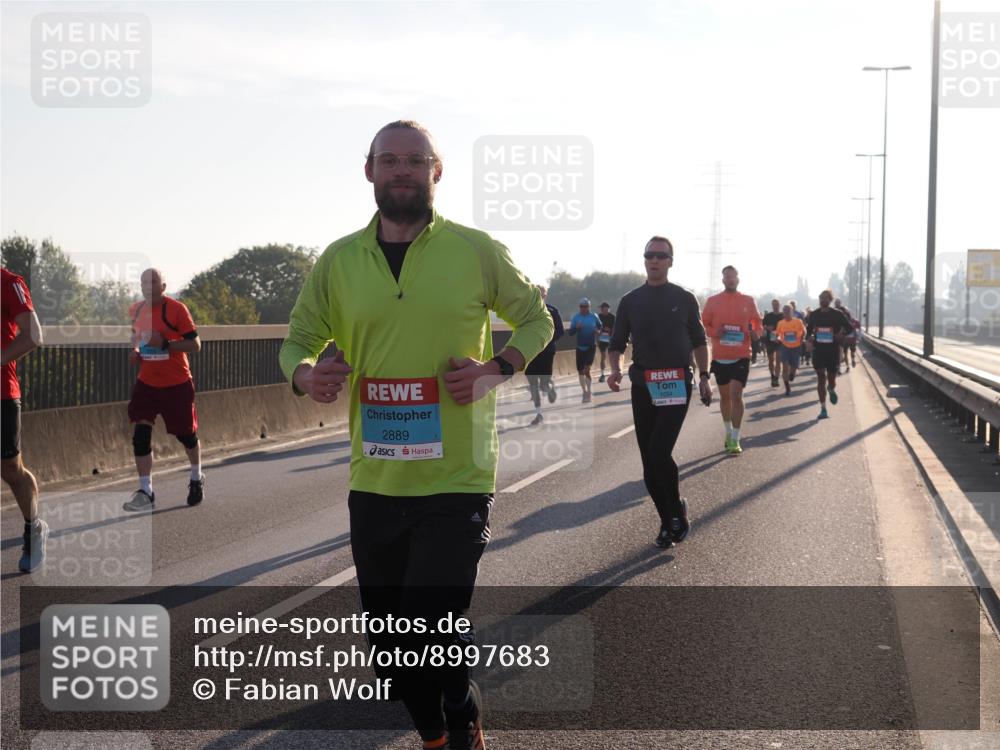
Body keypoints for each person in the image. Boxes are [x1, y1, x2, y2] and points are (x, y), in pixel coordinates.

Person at [279, 120, 552, 750]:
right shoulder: (340, 260)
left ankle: (459, 715)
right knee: (389, 647)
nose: (402, 170)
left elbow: (537, 319)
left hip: (457, 475)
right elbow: (297, 339)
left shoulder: (476, 249)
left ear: (437, 170)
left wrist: (493, 371)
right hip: (375, 477)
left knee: (434, 619)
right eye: (390, 159)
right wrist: (306, 374)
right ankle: (438, 726)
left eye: (415, 160)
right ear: (369, 169)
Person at [607, 236, 711, 548]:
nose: (654, 260)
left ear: (670, 261)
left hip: (677, 383)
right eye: (650, 255)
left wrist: (705, 376)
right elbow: (617, 343)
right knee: (648, 463)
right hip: (644, 385)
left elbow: (699, 340)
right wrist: (615, 369)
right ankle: (669, 518)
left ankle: (675, 511)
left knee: (658, 452)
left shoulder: (684, 297)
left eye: (661, 256)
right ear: (644, 260)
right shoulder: (630, 300)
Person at [122, 268, 205, 511]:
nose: (148, 285)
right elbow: (135, 337)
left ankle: (196, 476)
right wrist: (135, 352)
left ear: (163, 286)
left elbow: (196, 344)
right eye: (144, 281)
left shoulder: (176, 309)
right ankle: (146, 491)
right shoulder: (136, 310)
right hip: (147, 382)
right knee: (140, 436)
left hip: (176, 382)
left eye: (153, 281)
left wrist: (167, 343)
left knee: (186, 436)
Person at [2, 266, 49, 573]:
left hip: (1, 394)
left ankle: (33, 526)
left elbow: (33, 336)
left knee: (10, 469)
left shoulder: (9, 282)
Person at [700, 266, 762, 455]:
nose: (731, 279)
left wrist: (756, 333)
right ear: (723, 280)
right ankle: (727, 432)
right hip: (720, 356)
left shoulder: (748, 300)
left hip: (742, 354)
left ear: (738, 279)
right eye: (727, 277)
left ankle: (735, 437)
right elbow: (703, 323)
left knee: (736, 395)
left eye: (733, 276)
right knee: (725, 397)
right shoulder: (713, 301)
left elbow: (757, 323)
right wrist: (713, 332)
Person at [805, 290, 852, 420]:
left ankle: (831, 389)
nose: (823, 300)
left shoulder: (837, 314)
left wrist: (840, 335)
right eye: (821, 298)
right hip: (818, 350)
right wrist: (809, 340)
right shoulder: (814, 314)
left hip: (832, 350)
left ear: (830, 300)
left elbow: (850, 328)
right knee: (821, 377)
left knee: (831, 379)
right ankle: (823, 408)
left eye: (826, 298)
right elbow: (808, 331)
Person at [525, 285, 564, 425]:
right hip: (531, 351)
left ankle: (549, 387)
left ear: (545, 296)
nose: (539, 296)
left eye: (541, 294)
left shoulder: (552, 311)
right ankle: (538, 414)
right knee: (532, 382)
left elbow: (560, 330)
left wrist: (547, 339)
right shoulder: (526, 310)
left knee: (543, 385)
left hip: (547, 352)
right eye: (536, 293)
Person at [567, 297, 602, 403]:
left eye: (585, 306)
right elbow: (570, 333)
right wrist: (577, 327)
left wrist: (598, 331)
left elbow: (600, 326)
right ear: (579, 307)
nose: (583, 308)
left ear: (589, 307)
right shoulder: (576, 318)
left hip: (591, 346)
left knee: (587, 370)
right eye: (581, 306)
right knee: (580, 371)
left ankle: (589, 392)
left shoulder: (594, 316)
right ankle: (584, 391)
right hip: (580, 347)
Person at [775, 303, 806, 396]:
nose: (786, 313)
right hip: (785, 347)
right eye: (785, 311)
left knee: (793, 367)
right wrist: (778, 338)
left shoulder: (798, 321)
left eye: (788, 311)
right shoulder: (780, 323)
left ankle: (792, 374)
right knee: (785, 366)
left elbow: (803, 331)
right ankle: (787, 388)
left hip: (796, 347)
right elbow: (778, 334)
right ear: (783, 313)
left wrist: (802, 338)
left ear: (792, 312)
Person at [761, 298, 783, 387]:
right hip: (770, 340)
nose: (775, 306)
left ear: (779, 305)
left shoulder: (783, 315)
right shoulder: (768, 316)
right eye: (774, 304)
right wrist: (767, 328)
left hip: (780, 340)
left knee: (778, 359)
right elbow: (762, 326)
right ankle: (772, 376)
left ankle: (776, 378)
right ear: (772, 305)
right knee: (771, 360)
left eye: (777, 304)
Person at [596, 301, 615, 382]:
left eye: (603, 308)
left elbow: (616, 328)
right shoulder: (598, 317)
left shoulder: (612, 317)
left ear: (607, 309)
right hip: (602, 339)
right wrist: (597, 337)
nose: (602, 310)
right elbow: (595, 327)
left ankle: (613, 374)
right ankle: (602, 374)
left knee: (612, 357)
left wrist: (610, 331)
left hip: (610, 339)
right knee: (603, 356)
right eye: (601, 309)